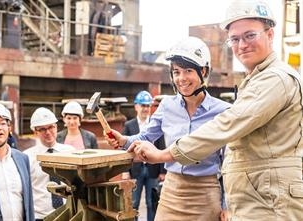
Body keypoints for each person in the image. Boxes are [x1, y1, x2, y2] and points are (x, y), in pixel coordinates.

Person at [127, 0, 303, 220]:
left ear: (269, 35)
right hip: (254, 195)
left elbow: (224, 128)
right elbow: (144, 136)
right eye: (235, 39)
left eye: (250, 35)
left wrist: (164, 154)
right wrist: (124, 141)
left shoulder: (274, 79)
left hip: (267, 199)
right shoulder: (254, 80)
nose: (242, 45)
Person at [106, 37, 230, 221]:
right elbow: (146, 136)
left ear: (203, 71)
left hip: (205, 193)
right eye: (176, 72)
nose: (181, 78)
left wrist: (227, 205)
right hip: (171, 191)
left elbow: (230, 164)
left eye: (188, 71)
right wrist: (124, 140)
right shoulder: (167, 106)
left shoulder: (222, 111)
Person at [24, 107, 75, 221]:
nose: (48, 132)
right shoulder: (27, 157)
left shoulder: (70, 152)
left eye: (51, 127)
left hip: (69, 214)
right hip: (41, 216)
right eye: (42, 129)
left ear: (56, 127)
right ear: (35, 131)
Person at [121, 90, 166, 221]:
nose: (145, 109)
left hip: (153, 169)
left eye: (147, 106)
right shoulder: (129, 126)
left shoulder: (155, 124)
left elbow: (161, 146)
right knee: (133, 202)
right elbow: (124, 149)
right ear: (136, 106)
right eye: (143, 105)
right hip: (136, 170)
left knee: (152, 202)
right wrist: (125, 171)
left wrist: (163, 170)